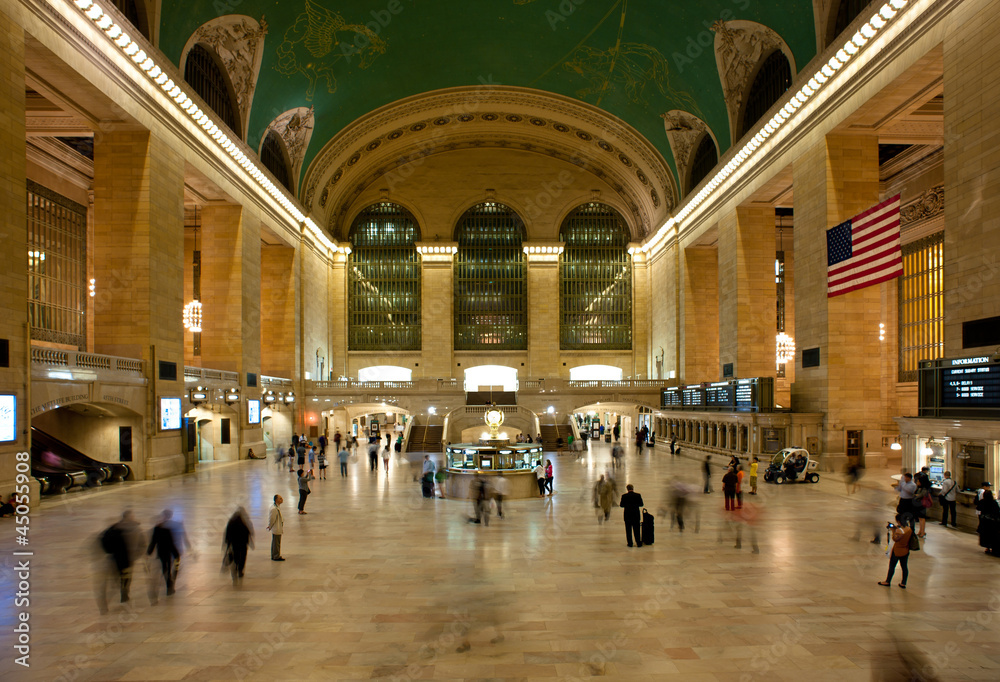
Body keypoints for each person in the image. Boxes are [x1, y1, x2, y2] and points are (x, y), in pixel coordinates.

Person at [97, 510, 143, 612]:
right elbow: (103, 540)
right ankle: (121, 594)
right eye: (131, 517)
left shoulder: (134, 528)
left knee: (125, 578)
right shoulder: (115, 529)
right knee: (119, 579)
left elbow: (141, 543)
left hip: (127, 559)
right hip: (118, 559)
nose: (132, 518)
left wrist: (137, 553)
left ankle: (124, 593)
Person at [146, 510, 182, 600]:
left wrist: (149, 552)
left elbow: (153, 542)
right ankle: (169, 587)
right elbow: (171, 543)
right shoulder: (168, 529)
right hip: (168, 552)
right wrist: (176, 554)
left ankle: (169, 585)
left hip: (161, 552)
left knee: (165, 569)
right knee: (168, 569)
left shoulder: (157, 528)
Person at [878, 515, 913, 588]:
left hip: (897, 550)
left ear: (899, 521)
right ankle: (903, 583)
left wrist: (893, 531)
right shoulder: (909, 529)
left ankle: (887, 581)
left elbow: (895, 539)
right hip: (905, 550)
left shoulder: (899, 531)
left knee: (892, 566)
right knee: (904, 567)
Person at [223, 507, 254, 585]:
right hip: (243, 543)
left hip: (234, 544)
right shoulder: (243, 523)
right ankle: (240, 569)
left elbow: (227, 533)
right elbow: (248, 532)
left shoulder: (231, 522)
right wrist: (250, 542)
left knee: (236, 555)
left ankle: (236, 567)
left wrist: (227, 543)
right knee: (243, 556)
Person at [977, 490, 1000, 555]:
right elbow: (997, 511)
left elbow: (978, 508)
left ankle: (987, 547)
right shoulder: (994, 502)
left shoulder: (982, 502)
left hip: (984, 521)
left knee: (985, 534)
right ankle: (993, 547)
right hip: (992, 522)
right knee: (992, 535)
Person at [267, 494, 285, 561]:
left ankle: (275, 555)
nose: (282, 499)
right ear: (276, 500)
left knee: (276, 542)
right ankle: (276, 556)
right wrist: (270, 526)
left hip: (278, 527)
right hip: (276, 528)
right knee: (276, 543)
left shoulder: (277, 507)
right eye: (280, 498)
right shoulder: (274, 509)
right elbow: (272, 519)